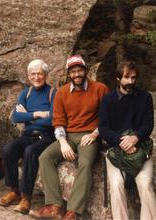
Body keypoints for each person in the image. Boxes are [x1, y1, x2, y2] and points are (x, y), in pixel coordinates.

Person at [30, 55, 109, 219]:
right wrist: (63, 142)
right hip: (68, 135)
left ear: (85, 71)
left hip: (90, 135)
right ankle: (54, 206)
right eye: (73, 71)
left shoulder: (100, 89)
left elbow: (107, 117)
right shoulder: (62, 92)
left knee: (85, 163)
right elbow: (58, 120)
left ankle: (73, 211)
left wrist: (95, 134)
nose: (77, 74)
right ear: (69, 74)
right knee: (45, 157)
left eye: (80, 70)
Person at [0, 59, 56, 214]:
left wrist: (27, 115)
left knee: (30, 151)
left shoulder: (52, 93)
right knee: (8, 149)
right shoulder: (26, 93)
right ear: (29, 76)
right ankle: (14, 191)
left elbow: (52, 119)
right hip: (28, 134)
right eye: (33, 74)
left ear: (46, 75)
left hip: (47, 136)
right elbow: (15, 117)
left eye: (40, 74)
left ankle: (26, 197)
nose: (37, 77)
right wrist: (37, 113)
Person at [99, 61, 156, 220]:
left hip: (141, 147)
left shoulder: (145, 97)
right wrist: (122, 142)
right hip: (117, 150)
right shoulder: (108, 100)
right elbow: (103, 129)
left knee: (145, 185)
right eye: (126, 77)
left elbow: (148, 124)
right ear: (118, 78)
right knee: (117, 186)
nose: (131, 81)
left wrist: (135, 138)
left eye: (133, 78)